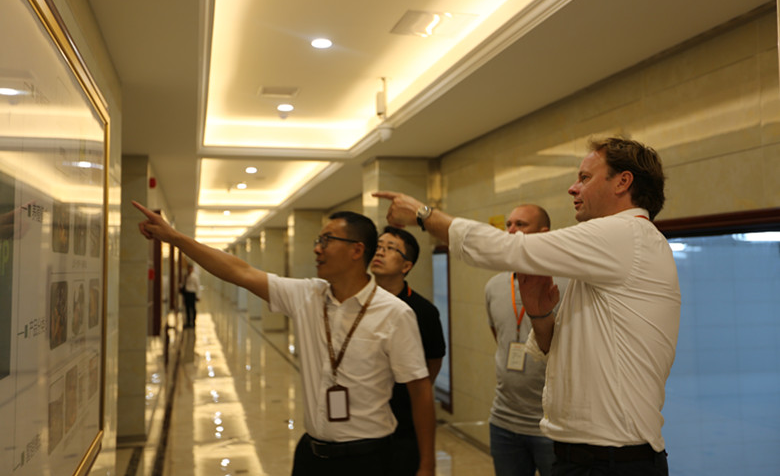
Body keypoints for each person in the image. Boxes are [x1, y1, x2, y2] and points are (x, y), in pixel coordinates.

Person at [374, 137, 680, 476]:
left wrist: (423, 214)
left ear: (623, 182)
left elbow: (508, 249)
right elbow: (558, 352)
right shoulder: (612, 248)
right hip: (584, 456)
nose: (573, 188)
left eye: (585, 178)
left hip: (614, 461)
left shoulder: (626, 234)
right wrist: (540, 314)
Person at [133, 204, 436, 476]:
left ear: (357, 250)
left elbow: (420, 392)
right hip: (311, 456)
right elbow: (239, 271)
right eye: (318, 240)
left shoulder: (395, 313)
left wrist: (427, 466)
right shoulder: (307, 295)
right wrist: (175, 238)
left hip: (369, 459)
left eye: (327, 240)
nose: (317, 249)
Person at [485, 205, 565, 476]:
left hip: (552, 424)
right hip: (503, 420)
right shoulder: (494, 286)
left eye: (521, 225)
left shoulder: (566, 284)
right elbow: (500, 339)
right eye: (508, 224)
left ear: (543, 233)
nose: (511, 231)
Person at [370, 226, 446, 476]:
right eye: (378, 246)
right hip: (364, 421)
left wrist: (412, 392)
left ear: (406, 266)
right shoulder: (359, 302)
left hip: (403, 422)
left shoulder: (423, 311)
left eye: (390, 249)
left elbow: (434, 361)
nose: (380, 252)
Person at [181, 263, 200, 328]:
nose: (190, 269)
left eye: (191, 268)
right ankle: (188, 322)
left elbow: (197, 287)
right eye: (189, 268)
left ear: (192, 269)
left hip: (192, 294)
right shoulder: (185, 276)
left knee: (193, 308)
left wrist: (198, 296)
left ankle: (193, 321)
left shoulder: (195, 277)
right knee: (187, 308)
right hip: (187, 293)